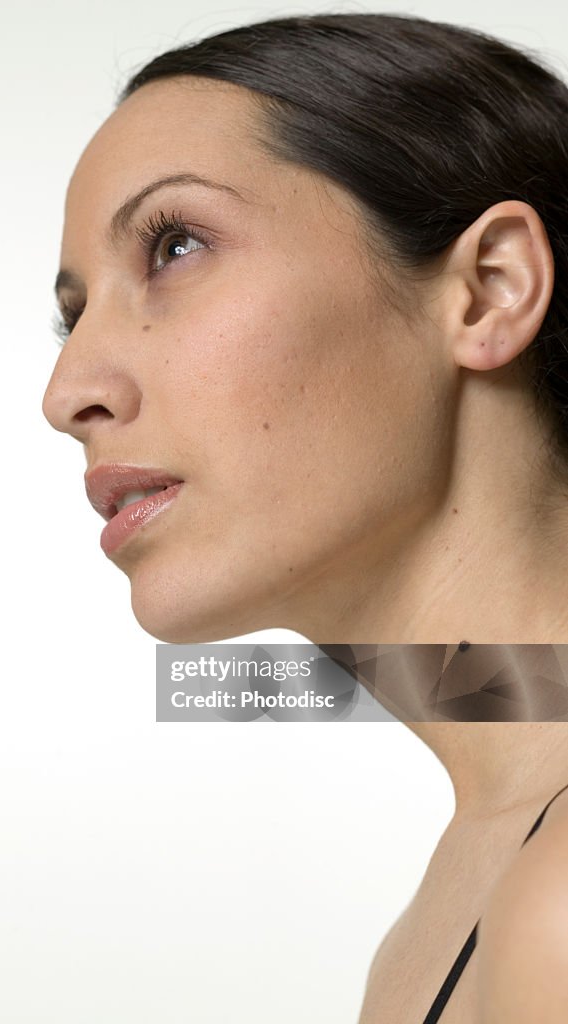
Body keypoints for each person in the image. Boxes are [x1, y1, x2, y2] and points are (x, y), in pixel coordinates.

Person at [42, 12, 568, 1020]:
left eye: (176, 245)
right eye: (73, 314)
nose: (68, 390)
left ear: (489, 290)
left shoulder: (553, 905)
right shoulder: (459, 896)